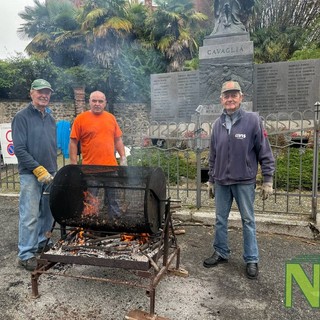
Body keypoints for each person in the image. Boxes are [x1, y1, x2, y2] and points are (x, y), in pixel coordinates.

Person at [203, 80, 274, 279]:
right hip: (222, 182)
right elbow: (213, 155)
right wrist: (211, 180)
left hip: (244, 181)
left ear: (241, 98)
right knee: (219, 220)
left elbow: (264, 151)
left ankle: (251, 259)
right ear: (221, 99)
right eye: (226, 95)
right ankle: (221, 252)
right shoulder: (217, 125)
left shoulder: (253, 121)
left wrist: (267, 179)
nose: (230, 98)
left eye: (234, 95)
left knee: (248, 220)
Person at [12, 79, 56, 271]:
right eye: (40, 92)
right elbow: (19, 149)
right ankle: (26, 254)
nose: (44, 95)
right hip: (31, 175)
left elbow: (51, 147)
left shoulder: (50, 118)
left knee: (47, 214)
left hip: (50, 173)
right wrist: (37, 169)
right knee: (29, 215)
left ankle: (41, 243)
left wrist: (51, 168)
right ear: (31, 93)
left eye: (47, 92)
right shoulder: (21, 117)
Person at [69, 90, 126, 166]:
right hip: (89, 168)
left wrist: (123, 157)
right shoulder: (80, 119)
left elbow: (118, 139)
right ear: (89, 101)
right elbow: (73, 142)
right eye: (94, 101)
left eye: (100, 101)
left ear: (105, 103)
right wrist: (73, 164)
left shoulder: (111, 118)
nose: (97, 104)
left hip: (111, 166)